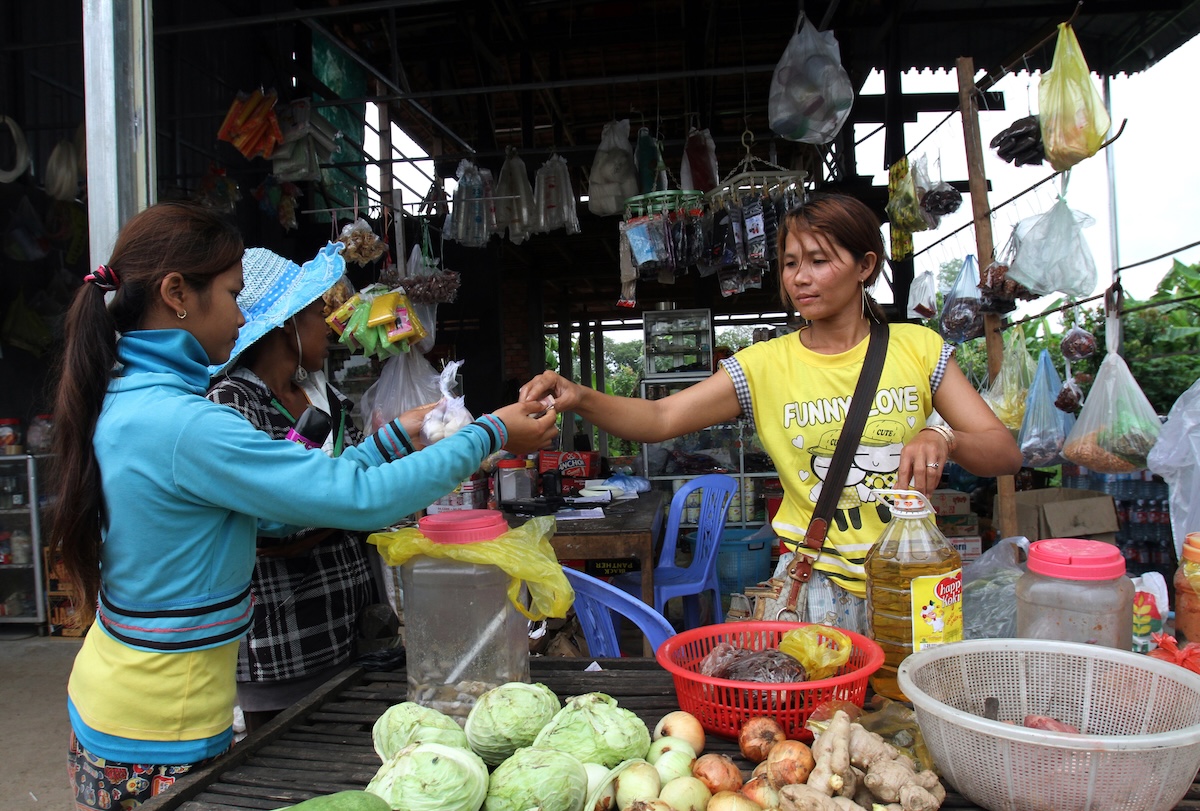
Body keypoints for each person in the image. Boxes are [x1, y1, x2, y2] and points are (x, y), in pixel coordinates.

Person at [49, 200, 557, 809]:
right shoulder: (184, 424)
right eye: (234, 294)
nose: (244, 313)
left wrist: (397, 438)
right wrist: (490, 434)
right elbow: (361, 501)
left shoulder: (138, 401)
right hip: (157, 725)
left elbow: (285, 507)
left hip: (133, 703)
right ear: (177, 293)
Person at [521, 193, 1022, 631]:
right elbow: (659, 421)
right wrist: (580, 396)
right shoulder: (761, 366)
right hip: (815, 590)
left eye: (819, 260)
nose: (800, 278)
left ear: (865, 265)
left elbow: (1003, 453)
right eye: (789, 263)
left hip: (913, 585)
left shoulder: (920, 349)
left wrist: (945, 438)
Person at [205, 244, 388, 733]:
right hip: (280, 638)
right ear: (286, 324)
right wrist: (353, 503)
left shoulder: (324, 393)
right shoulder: (231, 407)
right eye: (314, 312)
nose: (327, 325)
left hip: (348, 621)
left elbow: (355, 485)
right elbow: (267, 531)